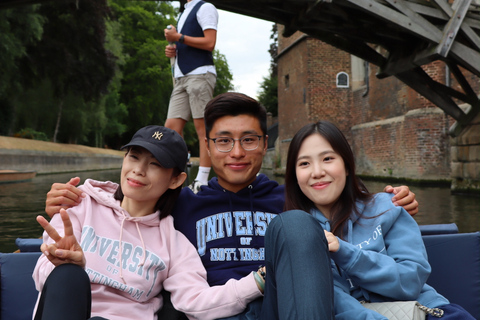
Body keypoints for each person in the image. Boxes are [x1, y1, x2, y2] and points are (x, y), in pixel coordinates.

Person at [44, 93, 419, 319]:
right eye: (223, 141)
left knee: (297, 226)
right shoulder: (182, 203)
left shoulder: (293, 196)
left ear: (265, 144)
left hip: (278, 309)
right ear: (208, 147)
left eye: (249, 140)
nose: (237, 152)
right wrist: (76, 201)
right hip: (212, 313)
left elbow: (342, 199)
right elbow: (135, 204)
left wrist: (391, 201)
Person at [33, 125, 264, 320]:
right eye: (134, 157)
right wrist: (64, 263)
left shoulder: (174, 244)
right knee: (68, 275)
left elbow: (197, 302)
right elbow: (42, 278)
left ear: (176, 180)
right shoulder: (81, 204)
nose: (138, 170)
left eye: (154, 164)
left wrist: (258, 281)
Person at [281, 120, 475, 320]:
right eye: (304, 163)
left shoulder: (389, 207)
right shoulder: (298, 234)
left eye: (328, 158)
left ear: (347, 166)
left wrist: (344, 252)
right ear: (294, 175)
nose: (317, 172)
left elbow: (410, 282)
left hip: (425, 312)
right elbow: (334, 301)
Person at [164, 0, 218, 193]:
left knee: (201, 128)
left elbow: (210, 42)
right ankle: (174, 176)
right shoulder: (184, 12)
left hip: (199, 74)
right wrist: (174, 50)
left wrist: (178, 37)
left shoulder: (205, 7)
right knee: (171, 130)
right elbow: (185, 42)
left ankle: (201, 180)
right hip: (181, 78)